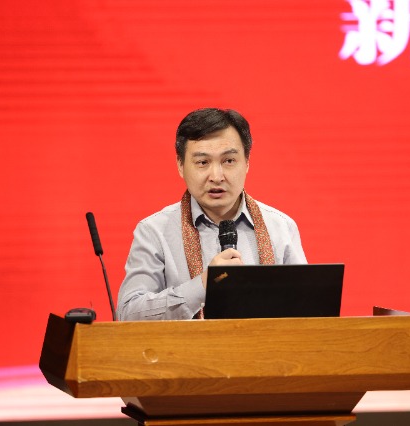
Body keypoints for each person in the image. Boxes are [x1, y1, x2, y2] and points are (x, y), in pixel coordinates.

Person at [116, 108, 306, 321]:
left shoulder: (281, 227)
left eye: (229, 161)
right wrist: (203, 285)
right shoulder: (154, 232)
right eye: (203, 162)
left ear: (247, 162)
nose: (216, 176)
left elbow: (308, 310)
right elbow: (128, 314)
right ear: (180, 165)